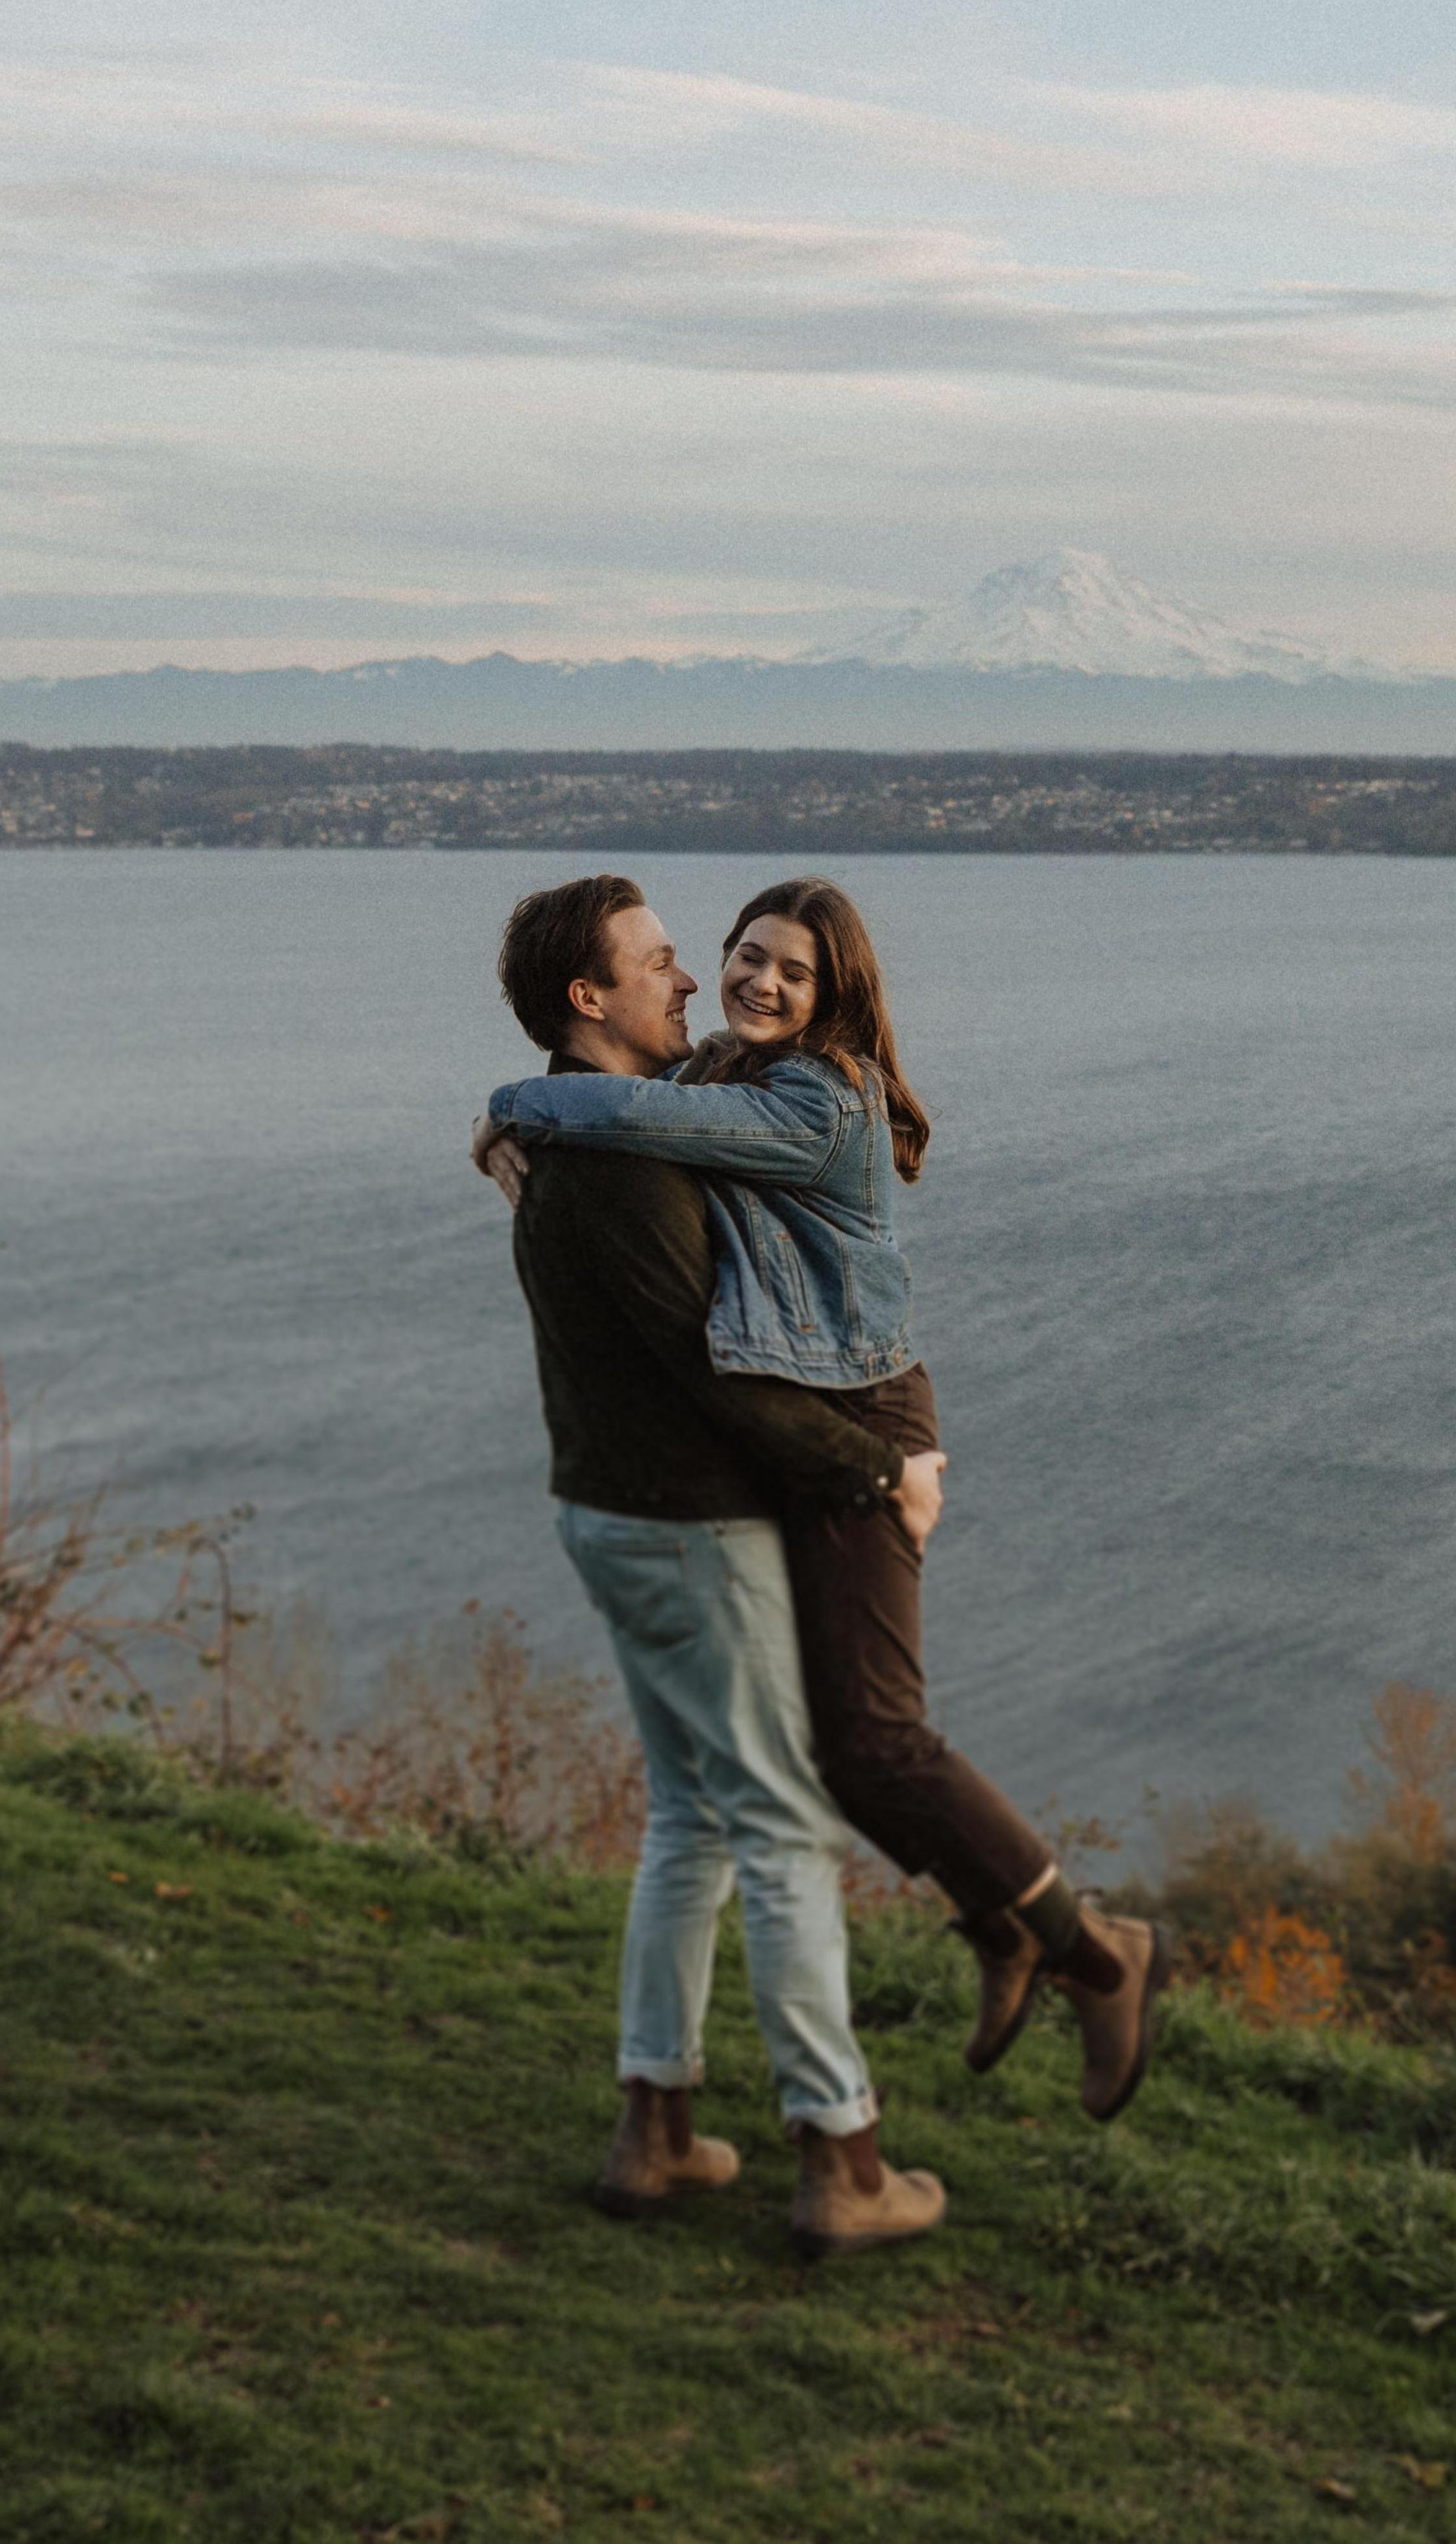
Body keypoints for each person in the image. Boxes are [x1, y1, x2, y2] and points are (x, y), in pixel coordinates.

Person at [474, 873, 1171, 2124]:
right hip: (809, 1428)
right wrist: (526, 1134)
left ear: (837, 992)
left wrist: (514, 1106)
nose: (738, 981)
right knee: (839, 1752)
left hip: (860, 1425)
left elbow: (622, 1118)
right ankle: (1010, 1928)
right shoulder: (714, 1079)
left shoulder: (814, 1100)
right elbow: (638, 1117)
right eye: (737, 955)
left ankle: (1097, 1954)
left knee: (873, 1738)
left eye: (790, 971)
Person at [490, 871, 948, 2256]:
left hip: (611, 1513)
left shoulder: (603, 1138)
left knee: (691, 1816)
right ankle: (840, 2154)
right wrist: (881, 1469)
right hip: (684, 1526)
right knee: (785, 1823)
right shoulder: (624, 1169)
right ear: (592, 1000)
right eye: (664, 962)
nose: (689, 983)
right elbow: (723, 1383)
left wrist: (503, 1109)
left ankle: (656, 2129)